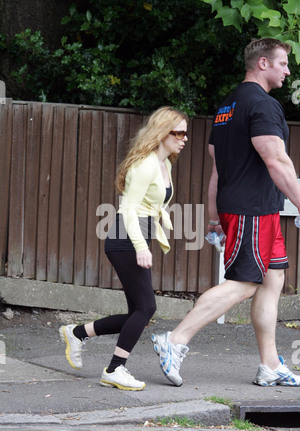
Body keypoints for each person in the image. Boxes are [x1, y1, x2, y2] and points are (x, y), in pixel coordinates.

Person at [152, 38, 300, 388]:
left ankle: (269, 365)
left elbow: (217, 170)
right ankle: (174, 341)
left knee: (273, 278)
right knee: (245, 283)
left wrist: (214, 215)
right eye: (282, 64)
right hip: (252, 211)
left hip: (250, 209)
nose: (288, 70)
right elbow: (276, 160)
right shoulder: (262, 106)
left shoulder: (226, 107)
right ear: (262, 64)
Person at [59, 106, 188, 391]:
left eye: (185, 133)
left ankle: (77, 333)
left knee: (137, 316)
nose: (184, 138)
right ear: (162, 132)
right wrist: (141, 247)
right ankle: (115, 369)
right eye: (178, 132)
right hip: (125, 237)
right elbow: (128, 208)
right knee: (147, 307)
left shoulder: (164, 163)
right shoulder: (145, 165)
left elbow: (150, 205)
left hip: (136, 235)